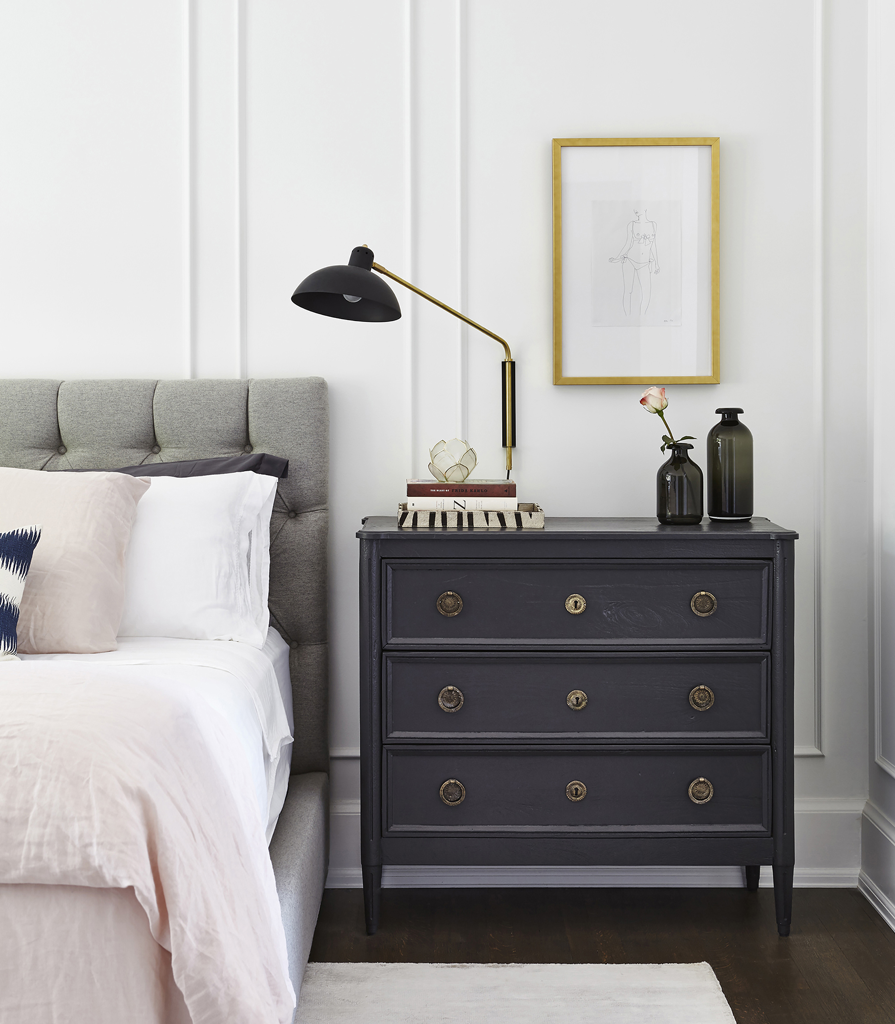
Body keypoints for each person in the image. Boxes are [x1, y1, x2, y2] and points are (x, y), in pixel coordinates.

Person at [609, 208, 660, 316]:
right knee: (628, 291)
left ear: (646, 209)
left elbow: (653, 246)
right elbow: (628, 244)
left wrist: (656, 263)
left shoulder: (653, 225)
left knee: (646, 293)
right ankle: (627, 318)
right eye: (634, 208)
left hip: (645, 263)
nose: (635, 210)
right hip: (630, 261)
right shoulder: (631, 224)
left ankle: (642, 318)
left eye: (639, 208)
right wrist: (618, 257)